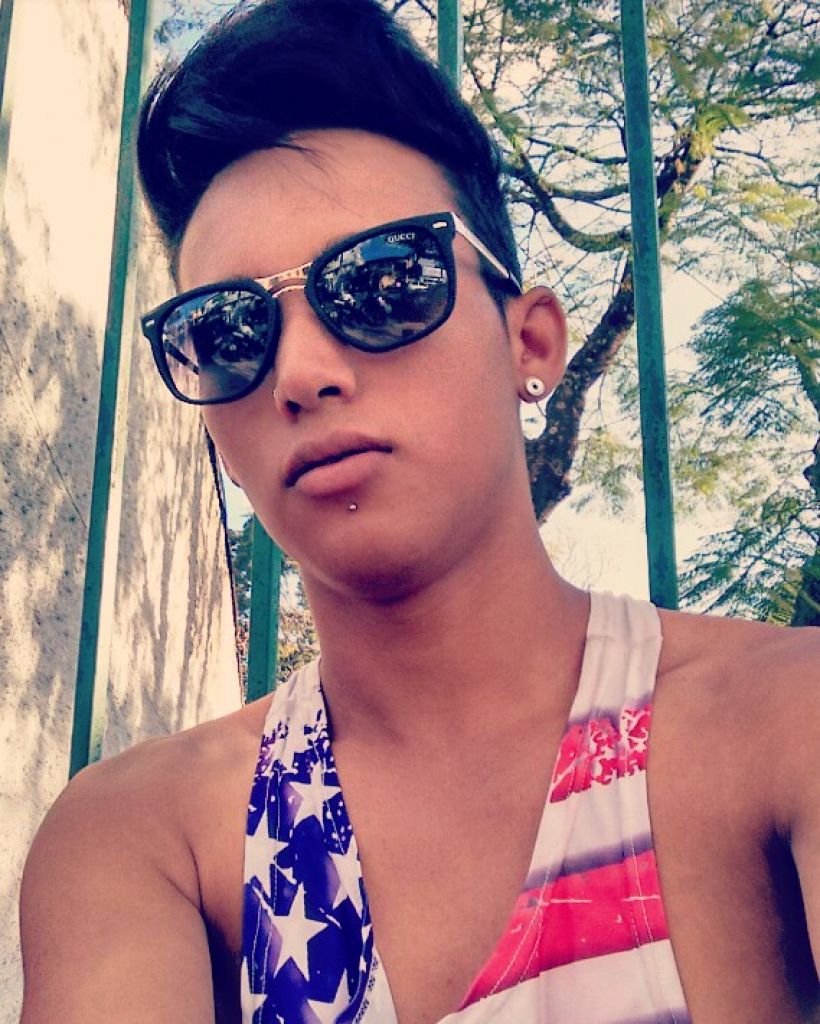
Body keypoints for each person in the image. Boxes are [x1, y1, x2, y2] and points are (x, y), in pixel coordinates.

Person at [18, 0, 819, 1021]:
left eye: (384, 283)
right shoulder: (148, 836)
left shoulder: (778, 724)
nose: (300, 373)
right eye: (226, 334)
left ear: (529, 343)